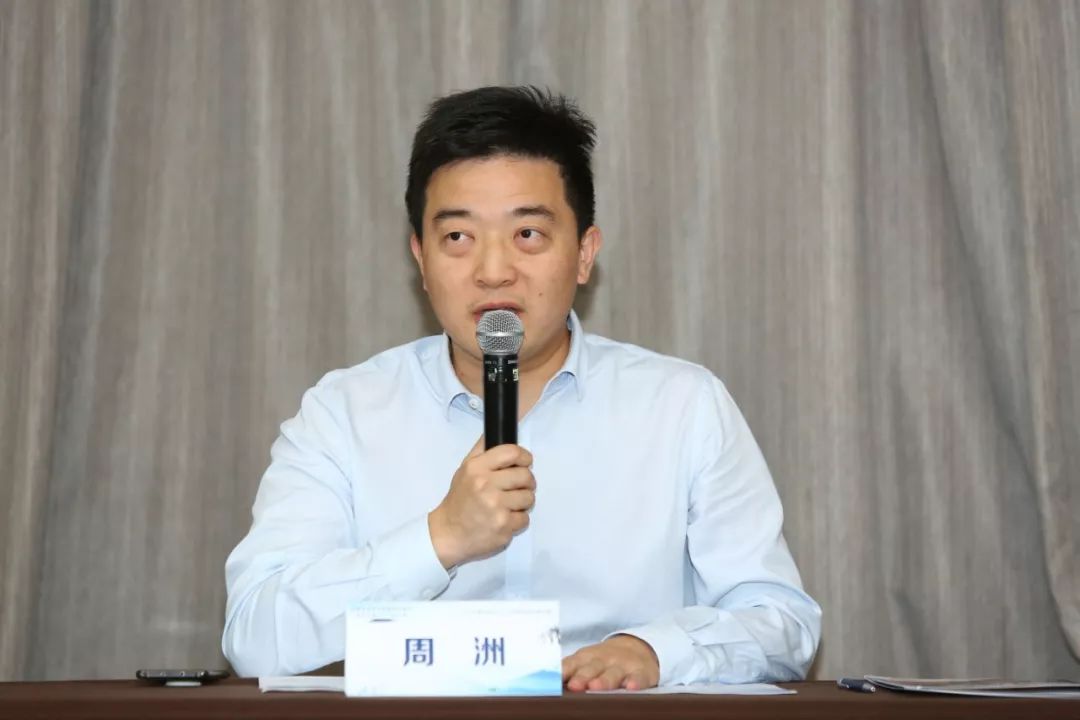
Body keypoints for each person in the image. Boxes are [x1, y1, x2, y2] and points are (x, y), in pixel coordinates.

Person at [222, 86, 821, 690]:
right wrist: (439, 538)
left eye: (528, 234)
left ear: (584, 254)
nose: (493, 271)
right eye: (458, 238)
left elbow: (781, 621)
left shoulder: (682, 407)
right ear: (420, 260)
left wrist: (655, 651)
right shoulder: (344, 413)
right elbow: (255, 637)